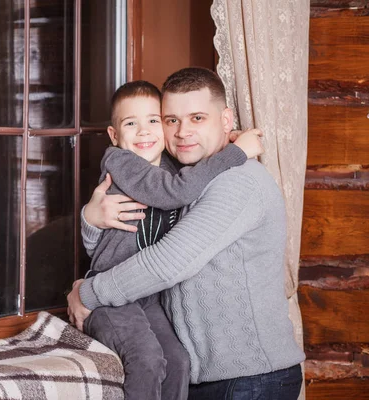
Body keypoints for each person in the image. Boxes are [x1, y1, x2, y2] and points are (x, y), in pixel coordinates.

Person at [68, 67, 306, 400]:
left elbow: (167, 263)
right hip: (211, 379)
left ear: (225, 121)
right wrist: (91, 218)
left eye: (197, 118)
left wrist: (87, 293)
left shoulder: (239, 182)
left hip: (250, 381)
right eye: (170, 120)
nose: (182, 132)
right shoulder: (185, 172)